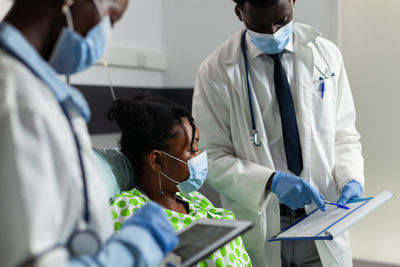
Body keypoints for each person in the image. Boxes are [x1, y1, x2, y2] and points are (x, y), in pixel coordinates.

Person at [0, 0, 177, 266]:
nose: (106, 34)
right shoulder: (16, 96)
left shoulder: (36, 93)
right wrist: (134, 248)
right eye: (112, 19)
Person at [192, 0, 364, 266]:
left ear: (294, 2)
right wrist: (271, 181)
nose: (272, 32)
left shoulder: (326, 55)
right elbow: (210, 156)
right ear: (240, 13)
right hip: (264, 221)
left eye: (281, 20)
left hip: (322, 215)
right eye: (259, 25)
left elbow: (343, 133)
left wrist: (350, 178)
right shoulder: (216, 70)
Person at [106, 95, 253, 267]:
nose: (200, 156)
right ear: (158, 161)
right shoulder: (128, 210)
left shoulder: (195, 199)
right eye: (191, 150)